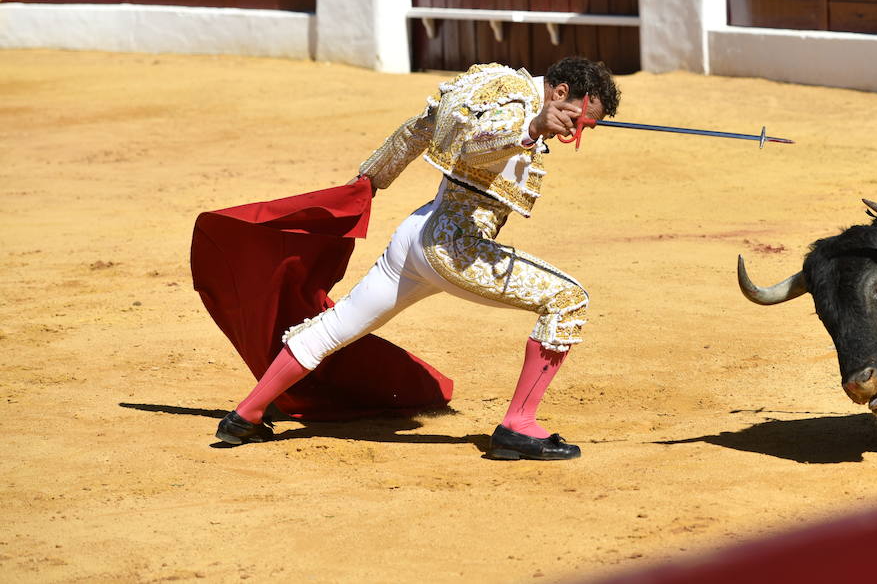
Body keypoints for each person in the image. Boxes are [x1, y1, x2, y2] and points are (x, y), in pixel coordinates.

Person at [214, 57, 621, 461]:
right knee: (568, 300)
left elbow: (420, 127)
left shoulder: (494, 83)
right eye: (582, 118)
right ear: (561, 92)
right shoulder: (517, 105)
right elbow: (475, 145)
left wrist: (371, 178)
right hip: (453, 246)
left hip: (416, 236)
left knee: (335, 327)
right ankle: (519, 425)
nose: (580, 128)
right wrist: (531, 128)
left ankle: (245, 415)